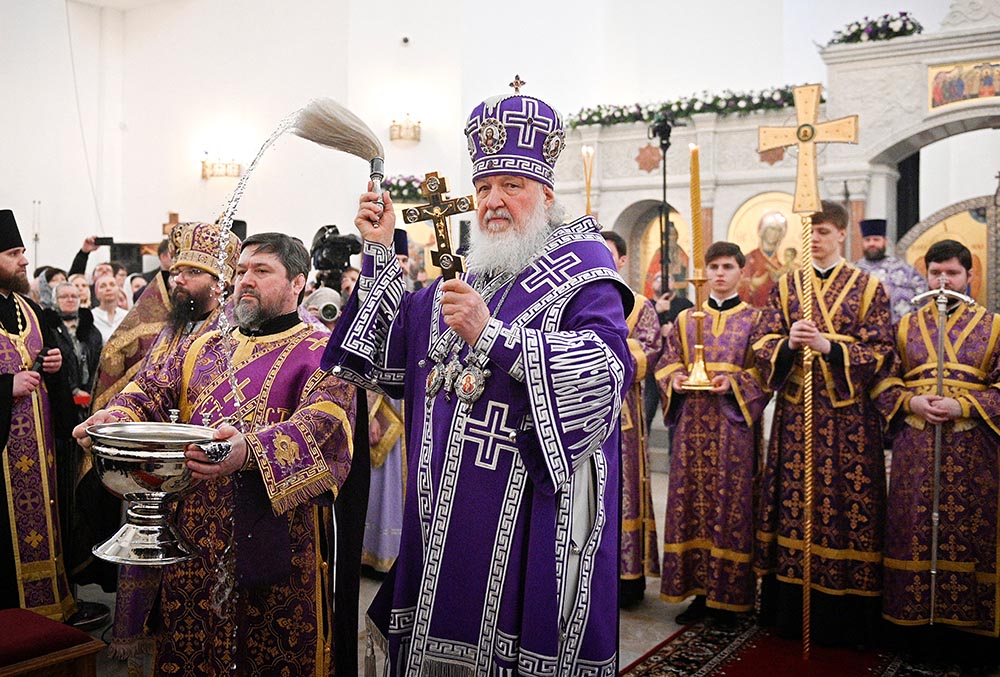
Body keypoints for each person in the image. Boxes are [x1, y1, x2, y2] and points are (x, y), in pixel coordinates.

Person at [323, 85, 633, 674]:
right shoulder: (476, 276)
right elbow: (382, 352)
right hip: (441, 515)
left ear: (545, 193)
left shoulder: (584, 271)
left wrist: (497, 338)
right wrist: (382, 251)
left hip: (529, 515)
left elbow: (605, 373)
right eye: (485, 186)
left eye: (511, 186)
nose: (494, 200)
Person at [74, 232, 357, 675]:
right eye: (241, 270)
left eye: (262, 271)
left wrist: (249, 451)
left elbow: (326, 427)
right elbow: (150, 388)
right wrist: (114, 416)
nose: (245, 280)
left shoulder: (320, 350)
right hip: (192, 540)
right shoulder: (205, 345)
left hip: (276, 541)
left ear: (297, 283)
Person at [750, 200, 894, 647]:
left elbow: (883, 351)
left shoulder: (869, 288)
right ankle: (789, 608)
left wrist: (830, 346)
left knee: (851, 508)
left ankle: (850, 615)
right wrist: (787, 344)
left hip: (850, 423)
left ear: (842, 235)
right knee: (796, 507)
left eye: (825, 232)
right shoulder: (787, 285)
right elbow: (761, 343)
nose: (816, 238)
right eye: (810, 231)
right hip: (797, 418)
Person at [102, 221, 240, 658]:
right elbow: (148, 383)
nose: (176, 280)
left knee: (200, 586)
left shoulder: (236, 332)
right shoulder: (172, 328)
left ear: (219, 282)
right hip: (156, 471)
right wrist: (119, 415)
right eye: (176, 271)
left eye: (189, 273)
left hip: (208, 476)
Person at [873, 239, 1000, 672]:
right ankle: (913, 630)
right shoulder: (905, 326)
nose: (943, 282)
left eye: (952, 274)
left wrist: (964, 405)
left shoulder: (995, 327)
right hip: (916, 452)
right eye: (935, 274)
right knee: (913, 531)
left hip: (973, 456)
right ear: (924, 276)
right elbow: (885, 382)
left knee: (967, 533)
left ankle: (968, 635)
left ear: (970, 277)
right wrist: (911, 403)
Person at [655, 241, 769, 625]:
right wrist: (679, 380)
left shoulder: (756, 319)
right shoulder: (689, 320)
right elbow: (666, 364)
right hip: (692, 429)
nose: (720, 274)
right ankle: (699, 594)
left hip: (732, 430)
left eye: (727, 267)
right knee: (692, 505)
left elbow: (763, 374)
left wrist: (733, 383)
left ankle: (731, 599)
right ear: (705, 273)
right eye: (714, 267)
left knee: (731, 506)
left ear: (741, 272)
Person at [0, 209, 74, 621]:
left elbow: (50, 371)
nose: (25, 261)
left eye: (23, 252)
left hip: (39, 453)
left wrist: (55, 366)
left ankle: (49, 614)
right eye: (13, 253)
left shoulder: (30, 309)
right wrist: (4, 388)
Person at [601, 230, 661, 608]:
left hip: (625, 422)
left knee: (625, 494)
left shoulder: (641, 306)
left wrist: (604, 350)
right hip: (581, 416)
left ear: (622, 260)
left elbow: (650, 352)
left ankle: (626, 581)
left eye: (609, 254)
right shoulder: (576, 299)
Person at [91, 223, 183, 410]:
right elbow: (113, 354)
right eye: (176, 274)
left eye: (192, 272)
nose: (180, 281)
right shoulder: (151, 303)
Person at [852, 218, 926, 323]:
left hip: (899, 328)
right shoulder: (854, 270)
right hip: (864, 329)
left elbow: (923, 294)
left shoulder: (904, 268)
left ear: (885, 241)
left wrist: (894, 293)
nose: (871, 243)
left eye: (876, 240)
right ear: (862, 243)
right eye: (867, 240)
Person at [739, 210, 790, 307]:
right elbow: (736, 289)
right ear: (763, 231)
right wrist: (751, 285)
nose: (774, 233)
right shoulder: (748, 260)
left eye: (778, 230)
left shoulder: (782, 265)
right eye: (771, 229)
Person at [90, 273, 125, 342]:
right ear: (96, 293)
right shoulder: (91, 317)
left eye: (112, 285)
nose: (108, 288)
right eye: (102, 286)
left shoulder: (127, 315)